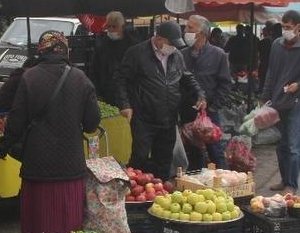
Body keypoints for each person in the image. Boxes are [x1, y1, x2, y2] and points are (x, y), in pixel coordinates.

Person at [0, 31, 100, 233]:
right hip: (70, 165)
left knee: (39, 223)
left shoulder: (29, 77)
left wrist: (3, 147)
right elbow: (92, 124)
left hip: (37, 165)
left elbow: (16, 121)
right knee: (68, 223)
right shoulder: (81, 79)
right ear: (66, 51)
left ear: (41, 50)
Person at [113, 20, 205, 179]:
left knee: (164, 159)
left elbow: (187, 77)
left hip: (169, 117)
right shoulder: (137, 53)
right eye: (171, 43)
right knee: (140, 157)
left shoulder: (176, 55)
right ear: (160, 39)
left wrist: (199, 94)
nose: (174, 48)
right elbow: (120, 80)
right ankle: (135, 191)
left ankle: (161, 193)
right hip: (144, 117)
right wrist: (125, 104)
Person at [261, 10, 300, 194]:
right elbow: (271, 73)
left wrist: (299, 85)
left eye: (288, 27)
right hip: (277, 102)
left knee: (294, 146)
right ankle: (284, 180)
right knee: (281, 144)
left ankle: (291, 184)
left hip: (297, 102)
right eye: (283, 26)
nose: (285, 30)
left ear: (298, 27)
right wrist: (264, 97)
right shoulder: (276, 45)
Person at [181, 15, 231, 170]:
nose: (186, 30)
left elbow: (225, 84)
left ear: (202, 33)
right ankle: (195, 184)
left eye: (190, 27)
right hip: (187, 111)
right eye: (186, 27)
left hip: (209, 112)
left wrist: (213, 106)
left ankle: (223, 186)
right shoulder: (181, 54)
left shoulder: (218, 55)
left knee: (215, 150)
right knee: (192, 151)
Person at [88, 11, 135, 105]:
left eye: (114, 26)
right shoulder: (101, 46)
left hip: (129, 95)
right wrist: (97, 94)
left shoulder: (132, 46)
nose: (111, 29)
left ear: (122, 26)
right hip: (106, 94)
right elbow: (94, 71)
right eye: (109, 26)